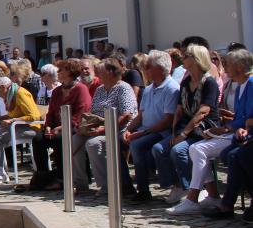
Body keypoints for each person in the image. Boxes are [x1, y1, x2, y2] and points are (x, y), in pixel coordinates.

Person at [166, 45, 232, 215]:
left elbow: (203, 111)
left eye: (187, 55)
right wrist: (175, 132)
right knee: (162, 148)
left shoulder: (209, 82)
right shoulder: (187, 82)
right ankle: (211, 194)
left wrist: (183, 134)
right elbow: (179, 109)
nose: (183, 58)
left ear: (196, 59)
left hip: (205, 129)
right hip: (187, 127)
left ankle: (192, 194)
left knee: (180, 150)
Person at [202, 49, 253, 219]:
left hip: (248, 134)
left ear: (238, 67)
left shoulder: (251, 83)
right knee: (227, 155)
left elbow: (249, 117)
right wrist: (234, 125)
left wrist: (229, 128)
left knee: (235, 156)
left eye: (228, 64)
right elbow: (241, 116)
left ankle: (227, 205)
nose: (225, 67)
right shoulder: (239, 86)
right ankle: (231, 204)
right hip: (243, 133)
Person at [123, 50, 180, 201]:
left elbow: (167, 121)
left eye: (148, 66)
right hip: (147, 130)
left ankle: (146, 189)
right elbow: (140, 116)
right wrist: (128, 129)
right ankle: (125, 185)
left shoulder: (171, 88)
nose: (145, 69)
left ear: (159, 69)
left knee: (137, 145)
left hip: (162, 132)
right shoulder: (148, 89)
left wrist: (140, 134)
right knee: (119, 141)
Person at [77, 58, 138, 195]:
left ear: (110, 72)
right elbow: (93, 112)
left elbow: (126, 115)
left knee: (93, 144)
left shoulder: (123, 88)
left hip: (118, 130)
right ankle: (78, 181)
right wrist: (86, 126)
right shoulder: (100, 89)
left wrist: (104, 129)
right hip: (99, 127)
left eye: (101, 70)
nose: (98, 72)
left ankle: (107, 185)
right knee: (74, 140)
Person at [33, 59, 92, 191]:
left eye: (61, 70)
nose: (58, 72)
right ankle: (44, 175)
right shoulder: (57, 91)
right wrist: (48, 126)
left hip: (74, 128)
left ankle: (62, 178)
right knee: (38, 139)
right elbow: (51, 111)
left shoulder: (80, 89)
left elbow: (82, 113)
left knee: (60, 139)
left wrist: (62, 127)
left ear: (70, 72)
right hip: (56, 128)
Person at [0, 76, 43, 184]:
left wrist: (12, 120)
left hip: (31, 128)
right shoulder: (11, 95)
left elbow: (34, 116)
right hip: (19, 126)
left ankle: (0, 174)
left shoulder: (20, 93)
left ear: (2, 88)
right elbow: (13, 115)